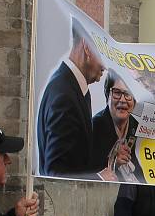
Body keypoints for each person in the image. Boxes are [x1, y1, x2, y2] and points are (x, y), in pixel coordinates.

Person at [37, 17, 116, 179]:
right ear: (87, 47)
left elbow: (78, 156)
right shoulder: (64, 96)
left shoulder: (73, 88)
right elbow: (56, 172)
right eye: (102, 53)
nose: (105, 66)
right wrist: (100, 178)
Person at [91, 69, 142, 182]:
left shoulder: (136, 126)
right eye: (117, 93)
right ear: (107, 95)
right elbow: (84, 172)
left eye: (128, 94)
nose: (123, 100)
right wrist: (114, 162)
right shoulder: (94, 128)